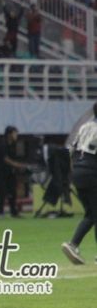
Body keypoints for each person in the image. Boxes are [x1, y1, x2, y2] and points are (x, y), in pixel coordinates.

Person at [62, 103, 97, 265]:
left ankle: (73, 245)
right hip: (92, 171)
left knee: (91, 214)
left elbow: (70, 150)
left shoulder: (85, 127)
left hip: (77, 172)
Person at [0, 126, 26, 217]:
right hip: (0, 173)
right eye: (14, 133)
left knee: (12, 192)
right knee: (2, 192)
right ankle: (0, 212)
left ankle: (13, 211)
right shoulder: (2, 145)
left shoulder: (13, 146)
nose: (16, 135)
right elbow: (5, 159)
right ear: (9, 134)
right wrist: (18, 165)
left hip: (10, 173)